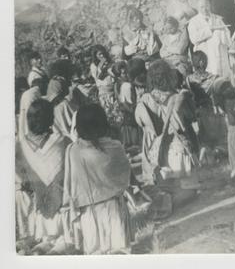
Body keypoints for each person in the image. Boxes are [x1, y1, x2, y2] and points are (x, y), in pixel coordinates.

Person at [63, 104, 133, 254]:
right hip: (113, 208)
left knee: (94, 252)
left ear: (78, 127)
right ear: (103, 123)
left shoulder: (73, 151)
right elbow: (125, 177)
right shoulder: (115, 146)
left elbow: (70, 184)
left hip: (87, 212)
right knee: (118, 251)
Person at [15, 99, 73, 255]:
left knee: (46, 241)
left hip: (39, 212)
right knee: (64, 242)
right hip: (63, 211)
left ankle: (38, 249)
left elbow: (20, 177)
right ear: (50, 120)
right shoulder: (63, 142)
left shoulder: (21, 146)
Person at [135, 60, 200, 186]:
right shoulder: (178, 97)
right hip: (177, 146)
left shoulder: (145, 99)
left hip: (156, 147)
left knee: (163, 185)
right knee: (186, 187)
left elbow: (140, 121)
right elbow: (191, 117)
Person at [186, 51, 225, 149]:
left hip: (197, 112)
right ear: (202, 62)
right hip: (211, 110)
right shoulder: (214, 78)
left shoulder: (188, 79)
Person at [187, 0, 232, 78]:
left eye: (207, 6)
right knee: (210, 75)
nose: (205, 9)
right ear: (198, 8)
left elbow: (226, 32)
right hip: (206, 53)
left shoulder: (217, 18)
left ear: (210, 6)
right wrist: (210, 30)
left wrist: (221, 34)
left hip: (219, 52)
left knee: (223, 77)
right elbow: (194, 38)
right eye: (202, 7)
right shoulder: (193, 22)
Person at [90, 45, 123, 135]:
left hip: (114, 89)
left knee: (117, 112)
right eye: (100, 55)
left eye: (103, 54)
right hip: (104, 91)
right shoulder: (94, 66)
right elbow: (97, 77)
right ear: (95, 56)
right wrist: (102, 65)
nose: (102, 56)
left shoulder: (110, 62)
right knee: (108, 113)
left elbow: (115, 74)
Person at [114, 59, 144, 149]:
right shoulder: (125, 85)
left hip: (127, 113)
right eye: (123, 73)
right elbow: (124, 101)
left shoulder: (123, 84)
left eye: (126, 72)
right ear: (119, 75)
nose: (126, 75)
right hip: (129, 114)